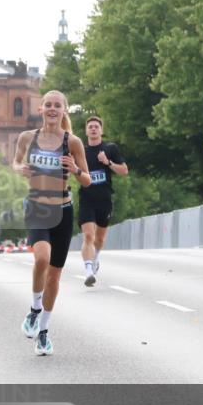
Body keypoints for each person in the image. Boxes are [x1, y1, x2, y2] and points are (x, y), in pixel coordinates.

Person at [12, 91, 92, 355]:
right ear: (41, 108)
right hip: (37, 206)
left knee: (55, 277)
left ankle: (43, 331)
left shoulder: (73, 142)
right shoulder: (28, 137)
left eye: (58, 105)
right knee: (41, 259)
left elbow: (87, 180)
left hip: (63, 210)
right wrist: (19, 169)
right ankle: (35, 309)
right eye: (48, 105)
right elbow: (15, 161)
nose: (52, 109)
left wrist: (76, 169)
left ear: (65, 110)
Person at [78, 115, 128, 286]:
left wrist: (107, 163)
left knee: (99, 239)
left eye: (96, 127)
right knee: (88, 235)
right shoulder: (81, 151)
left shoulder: (110, 148)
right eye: (90, 126)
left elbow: (124, 171)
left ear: (101, 130)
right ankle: (88, 271)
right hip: (86, 198)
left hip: (104, 199)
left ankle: (95, 258)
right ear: (86, 131)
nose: (93, 129)